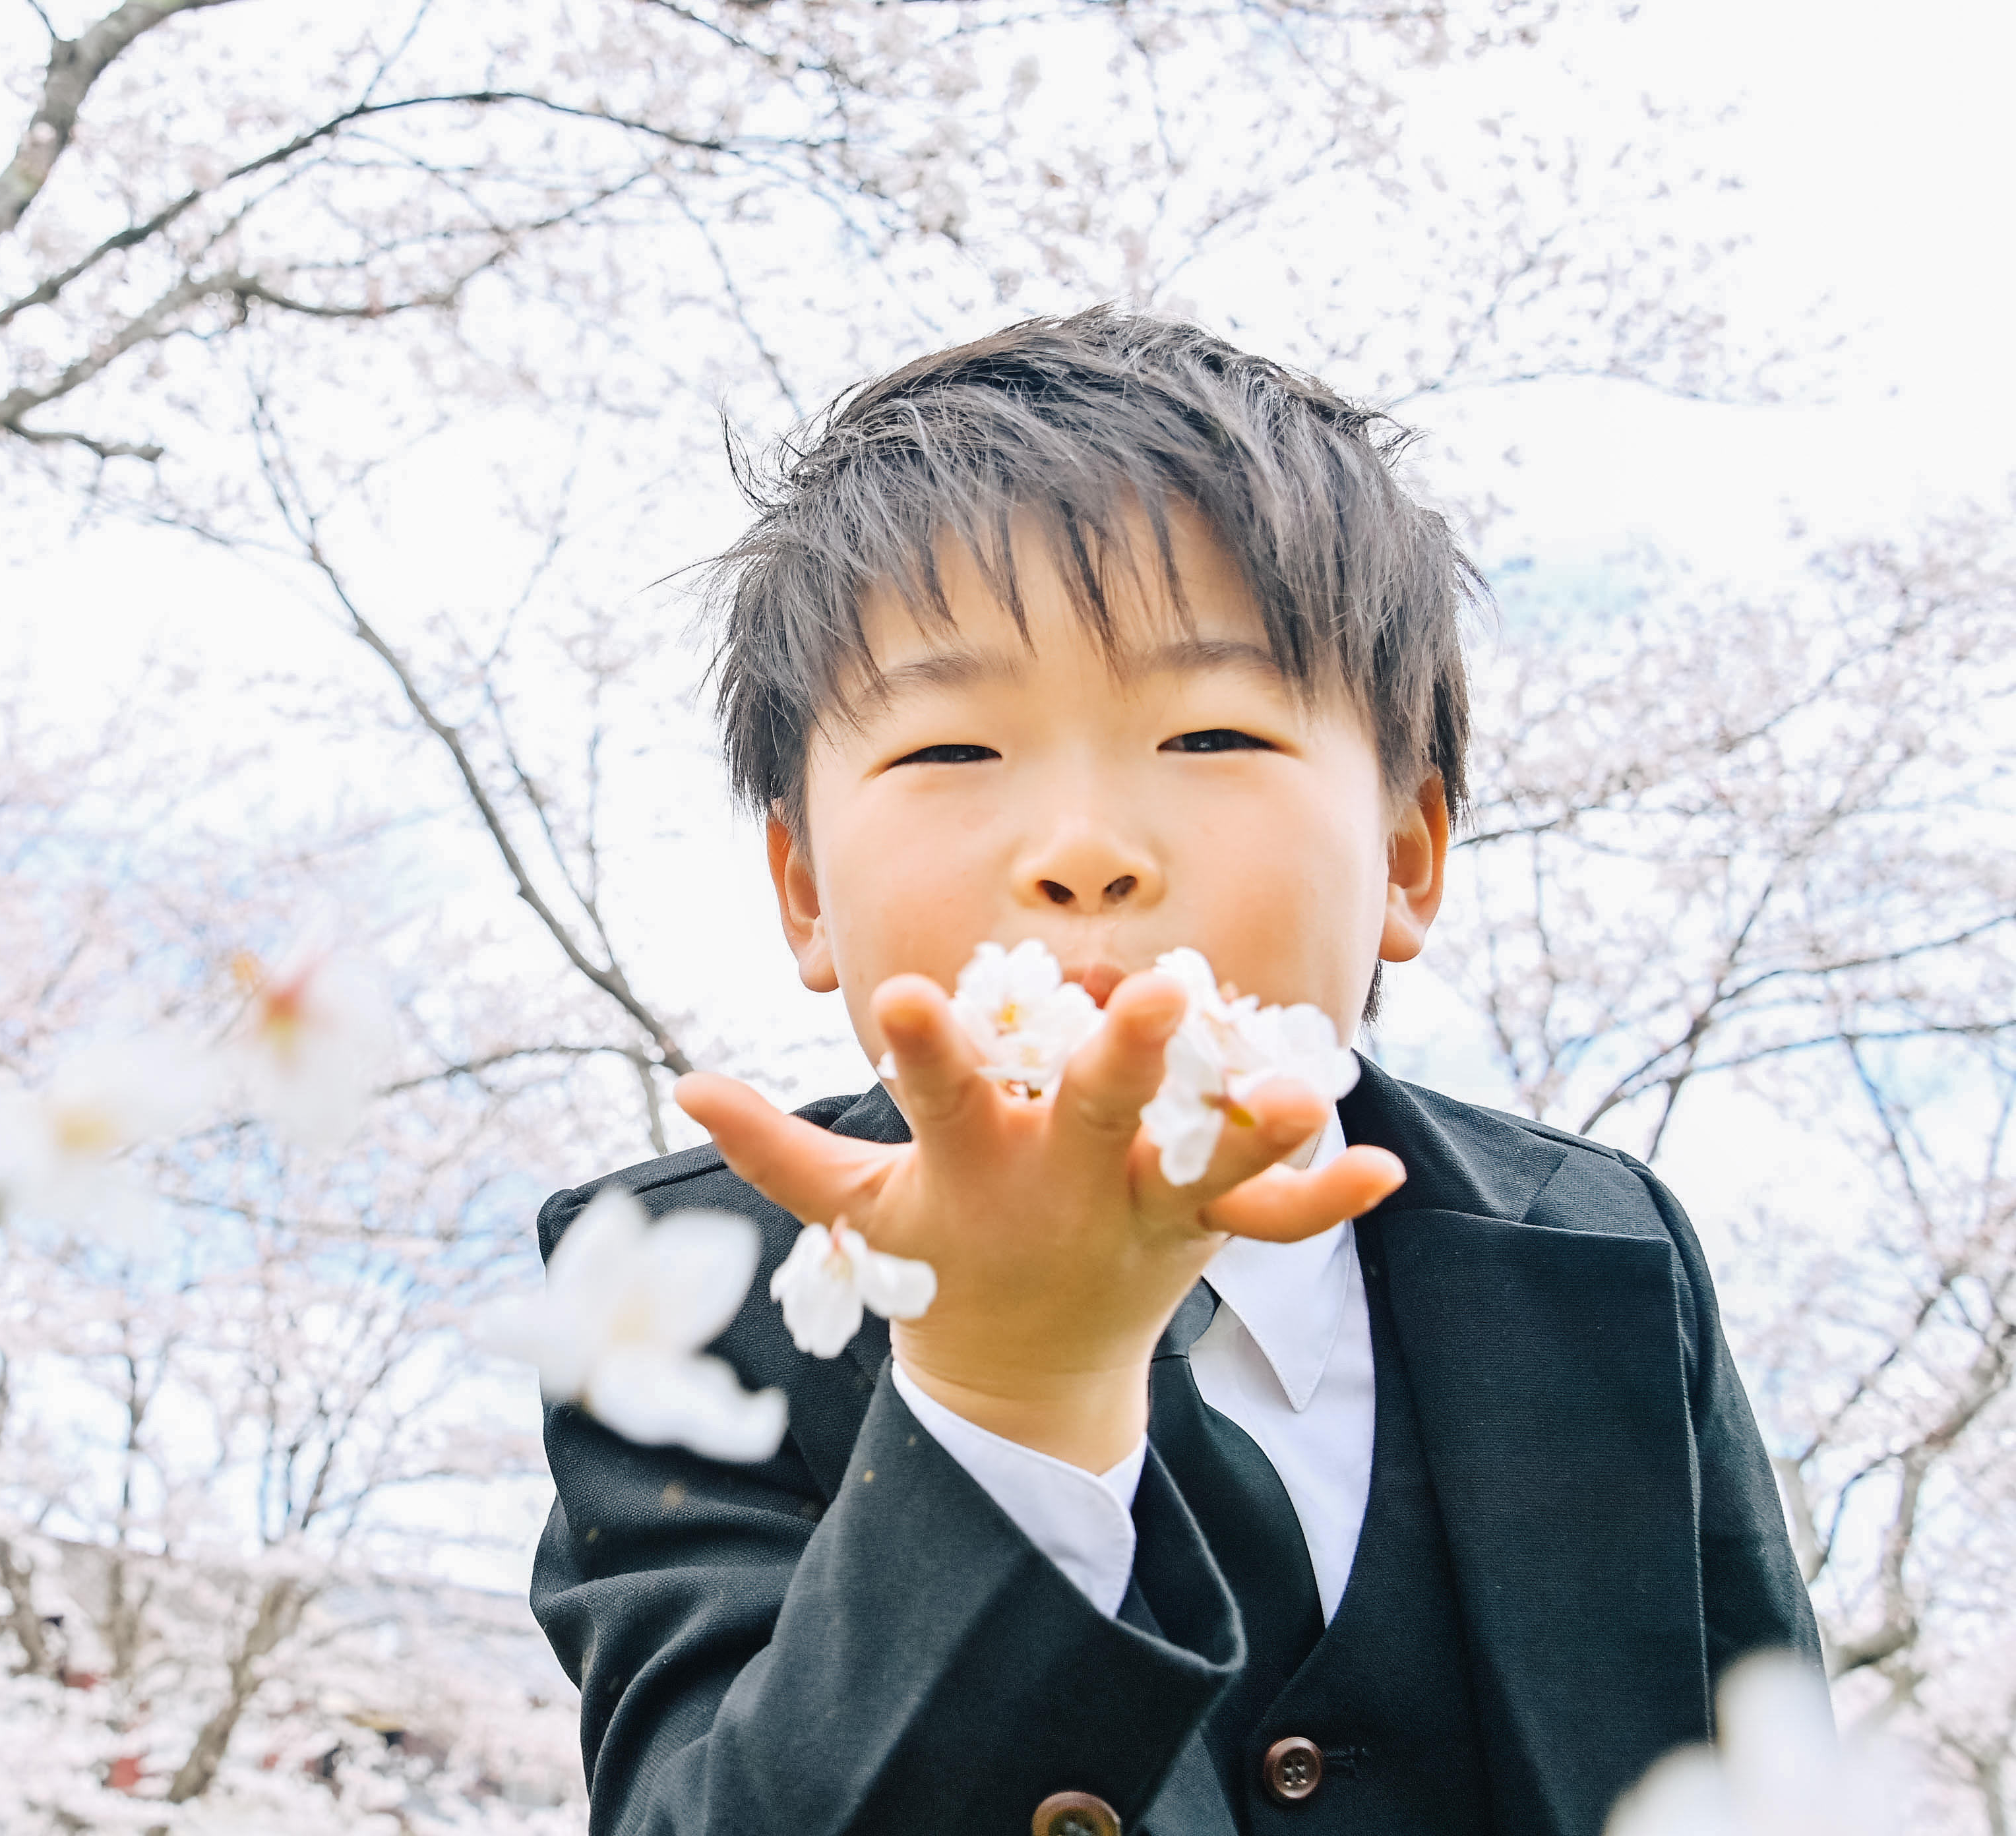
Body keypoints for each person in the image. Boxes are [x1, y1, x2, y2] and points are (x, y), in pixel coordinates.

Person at [526, 307, 1817, 1836]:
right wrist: (1007, 1394)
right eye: (951, 752)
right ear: (806, 891)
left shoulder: (1600, 1248)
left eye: (1210, 736)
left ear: (1407, 855)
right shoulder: (683, 1289)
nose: (1084, 851)